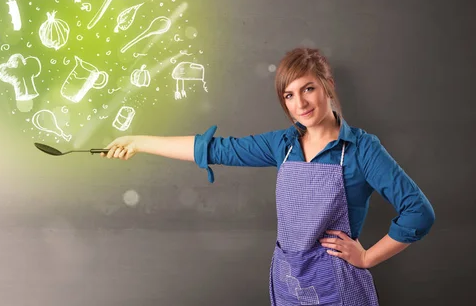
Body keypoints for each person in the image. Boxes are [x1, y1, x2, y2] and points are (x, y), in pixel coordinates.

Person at [100, 47, 435, 305]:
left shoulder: (361, 149)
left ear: (328, 87)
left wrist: (365, 257)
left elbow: (419, 213)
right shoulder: (283, 145)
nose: (300, 103)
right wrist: (139, 141)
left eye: (308, 89)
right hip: (288, 282)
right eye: (289, 95)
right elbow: (216, 149)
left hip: (336, 289)